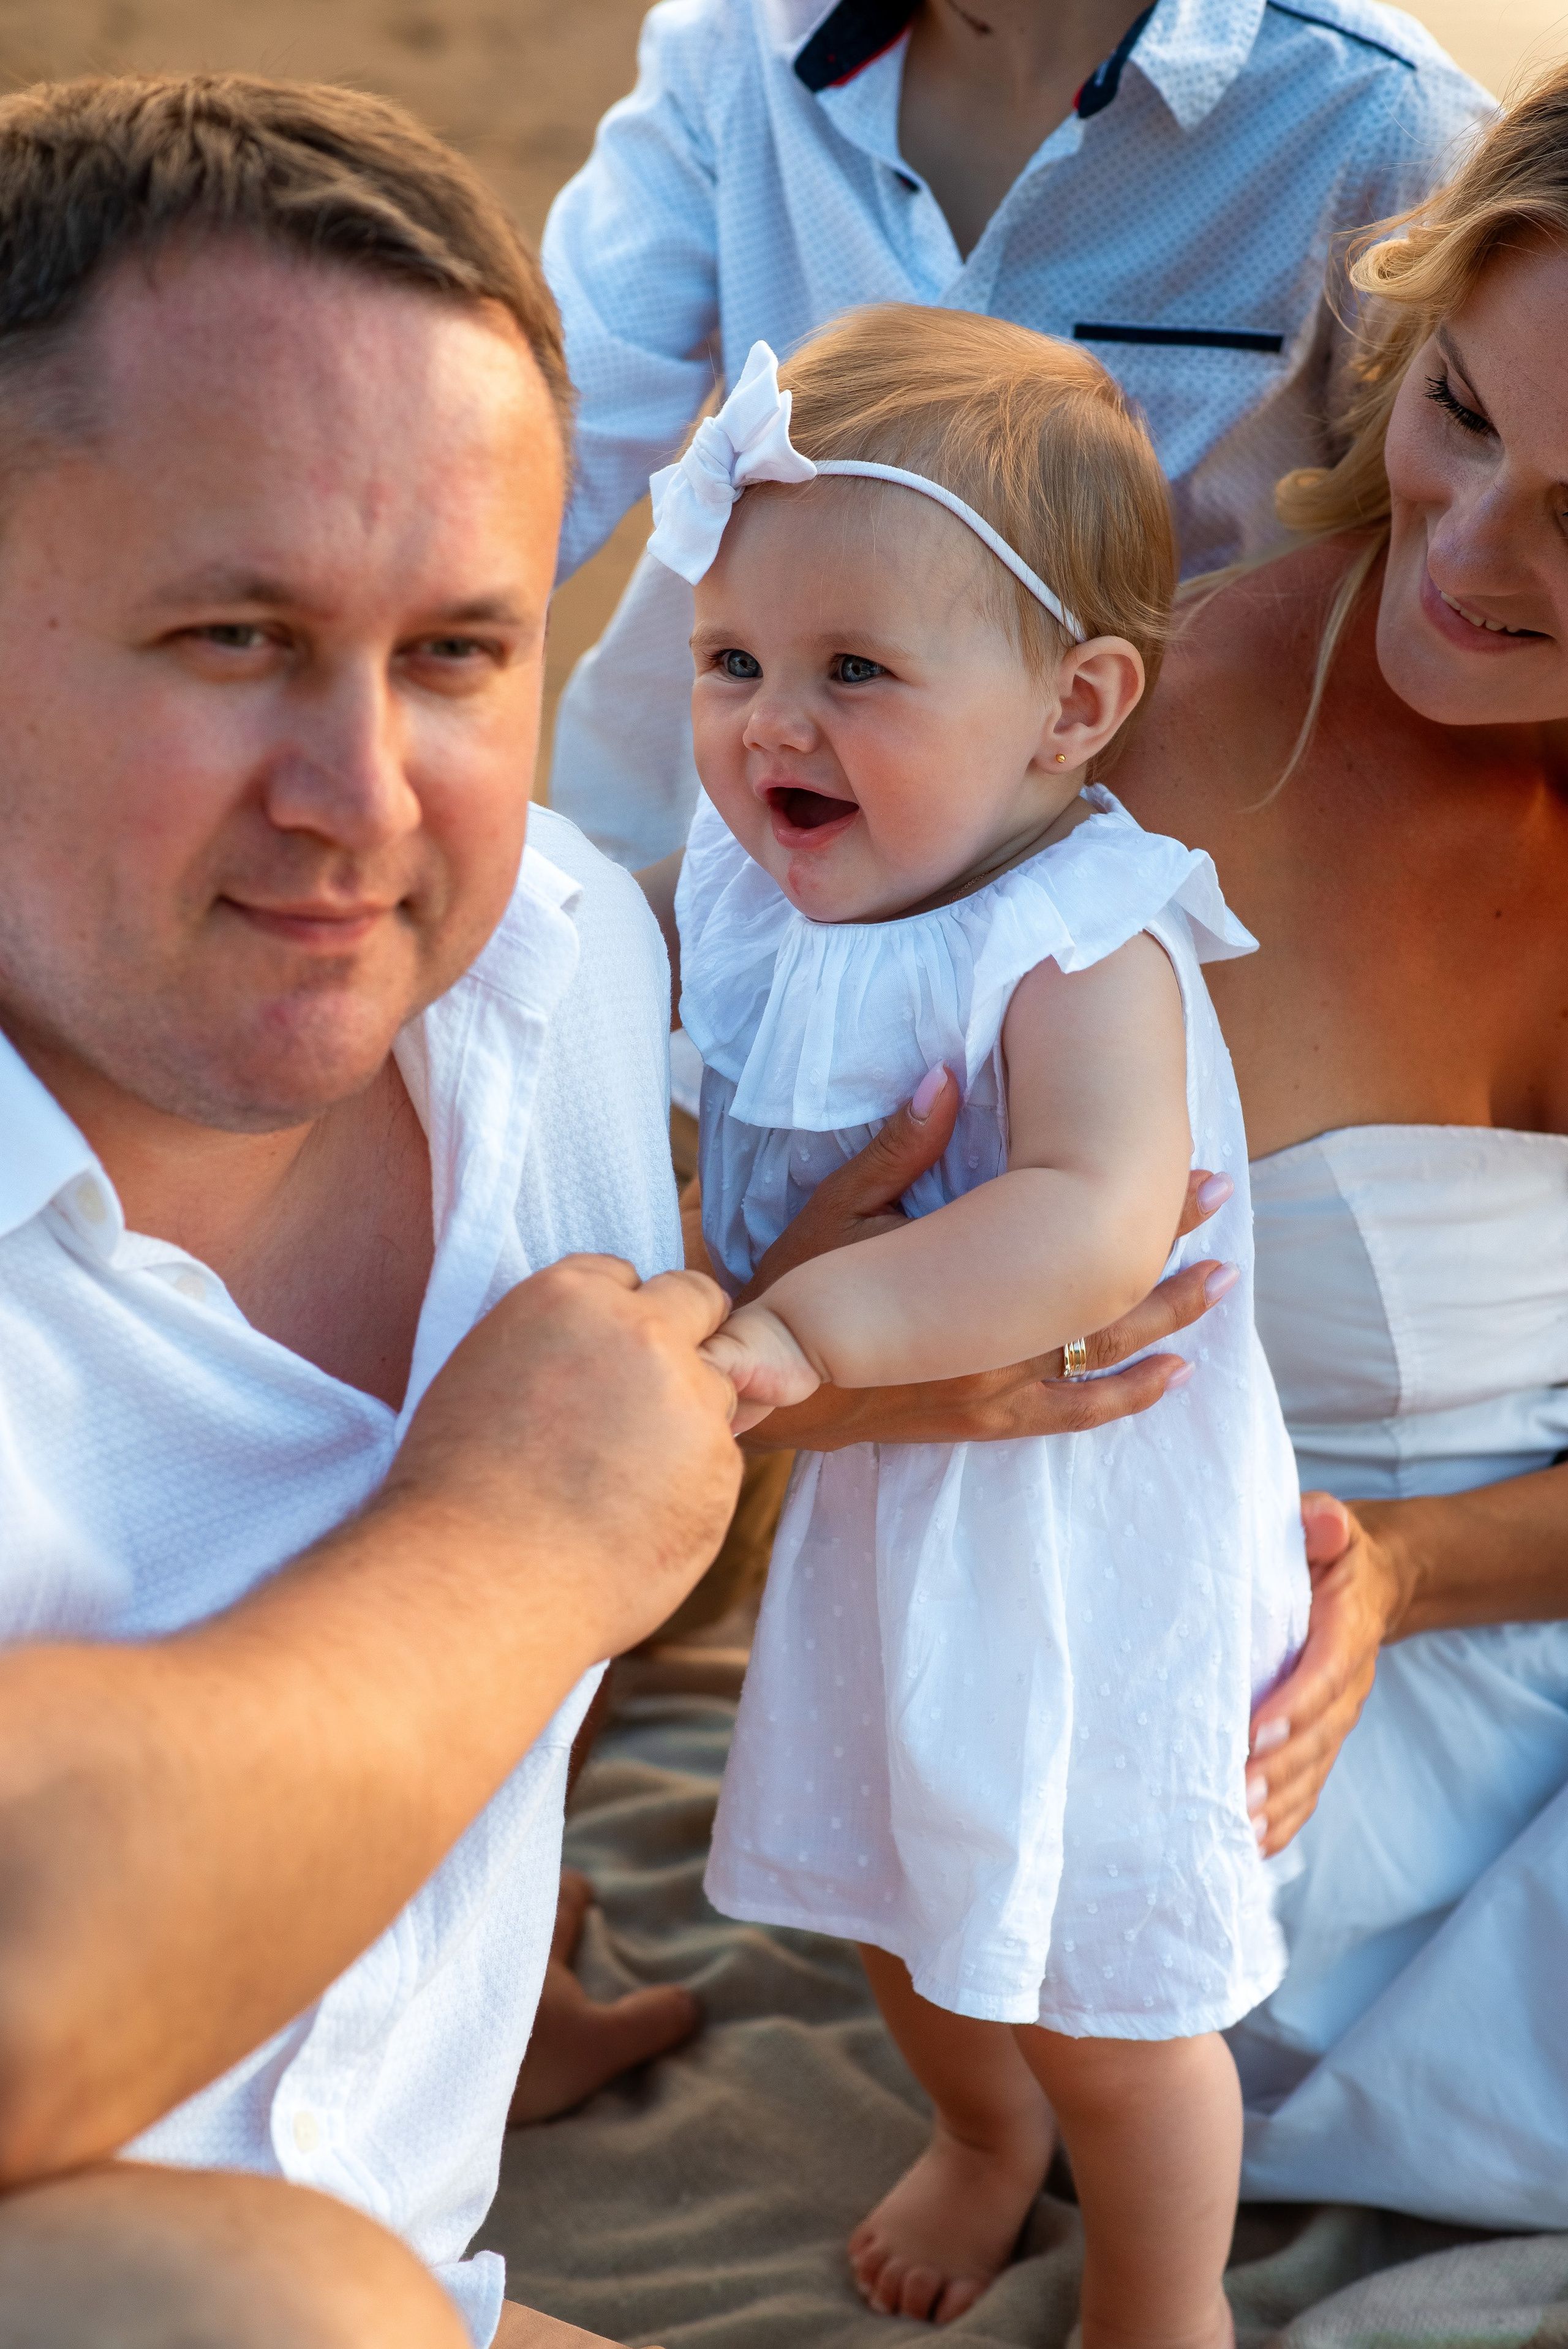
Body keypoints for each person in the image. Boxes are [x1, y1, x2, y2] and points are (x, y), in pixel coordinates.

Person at [0, 72, 745, 2349]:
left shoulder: (561, 984)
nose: (364, 798)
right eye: (236, 637)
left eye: (455, 655)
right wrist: (523, 1537)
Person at [649, 309, 1309, 2348]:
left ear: (1071, 707)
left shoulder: (1081, 936)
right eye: (733, 661)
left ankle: (1160, 2291)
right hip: (894, 1510)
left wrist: (807, 1324)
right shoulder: (766, 893)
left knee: (1113, 1989)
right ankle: (974, 2121)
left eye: (856, 670)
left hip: (1092, 1544)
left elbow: (1091, 1214)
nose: (774, 724)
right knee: (893, 1886)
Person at [540, 0, 1492, 873]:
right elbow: (550, 443)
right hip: (708, 838)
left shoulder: (1381, 123)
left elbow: (1448, 552)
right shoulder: (737, 44)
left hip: (1133, 875)